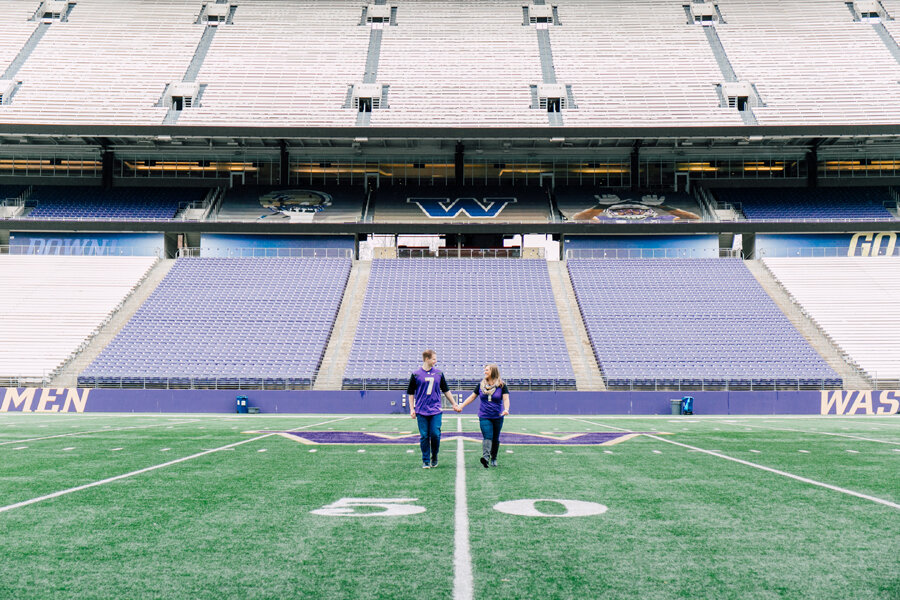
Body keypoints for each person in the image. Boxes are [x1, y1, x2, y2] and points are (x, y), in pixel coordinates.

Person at [407, 349, 459, 469]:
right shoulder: (415, 374)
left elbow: (446, 390)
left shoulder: (439, 373)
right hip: (421, 410)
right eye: (434, 359)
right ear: (427, 359)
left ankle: (434, 456)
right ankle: (425, 460)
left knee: (435, 434)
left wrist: (454, 404)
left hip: (435, 409)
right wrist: (411, 408)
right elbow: (410, 393)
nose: (435, 361)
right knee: (424, 436)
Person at [458, 364, 510, 468]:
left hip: (497, 416)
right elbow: (472, 397)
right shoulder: (481, 385)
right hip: (484, 415)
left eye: (487, 370)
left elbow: (505, 399)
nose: (485, 372)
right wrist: (461, 406)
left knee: (495, 438)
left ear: (493, 371)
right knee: (487, 436)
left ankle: (494, 457)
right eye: (484, 370)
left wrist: (506, 409)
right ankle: (486, 458)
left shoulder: (501, 385)